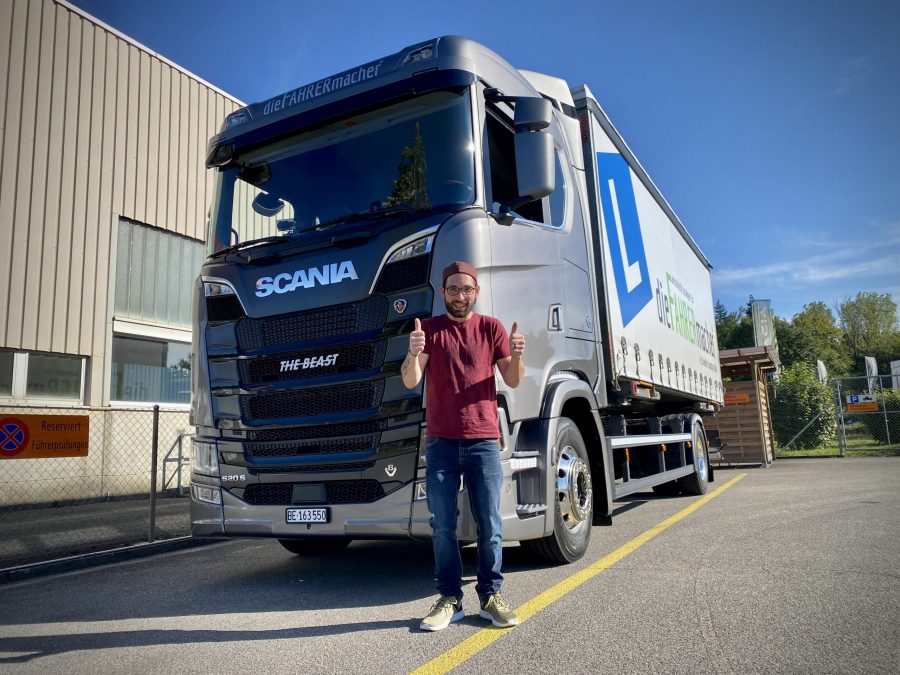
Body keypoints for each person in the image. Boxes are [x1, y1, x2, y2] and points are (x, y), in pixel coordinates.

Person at [401, 260, 526, 632]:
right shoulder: (430, 330)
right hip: (441, 441)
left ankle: (490, 596)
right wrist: (412, 352)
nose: (460, 296)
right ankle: (450, 599)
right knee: (442, 525)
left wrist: (517, 356)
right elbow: (410, 381)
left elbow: (513, 380)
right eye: (453, 289)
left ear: (476, 292)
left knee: (490, 523)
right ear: (443, 292)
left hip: (483, 440)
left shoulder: (491, 328)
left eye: (466, 289)